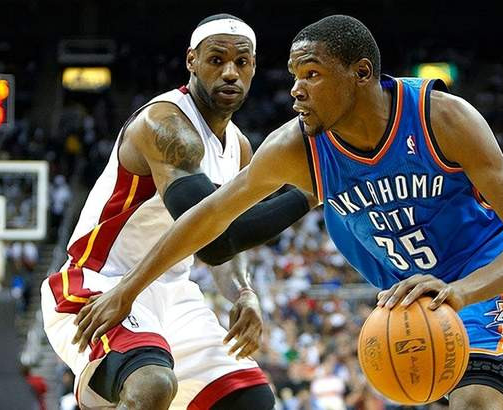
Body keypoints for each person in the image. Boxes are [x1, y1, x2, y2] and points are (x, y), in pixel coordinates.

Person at [72, 14, 503, 410]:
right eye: (295, 75)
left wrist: (462, 292)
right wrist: (128, 289)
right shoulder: (297, 146)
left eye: (312, 74)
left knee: (477, 400)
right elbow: (209, 220)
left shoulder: (439, 117)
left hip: (485, 283)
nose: (296, 89)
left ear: (361, 73)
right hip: (417, 298)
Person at [42, 14, 317, 410]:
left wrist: (243, 292)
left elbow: (222, 236)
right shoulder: (165, 124)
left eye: (241, 62)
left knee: (251, 400)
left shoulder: (239, 146)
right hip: (102, 283)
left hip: (173, 293)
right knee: (152, 385)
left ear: (254, 68)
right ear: (192, 61)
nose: (230, 72)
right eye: (216, 60)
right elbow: (216, 242)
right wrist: (312, 191)